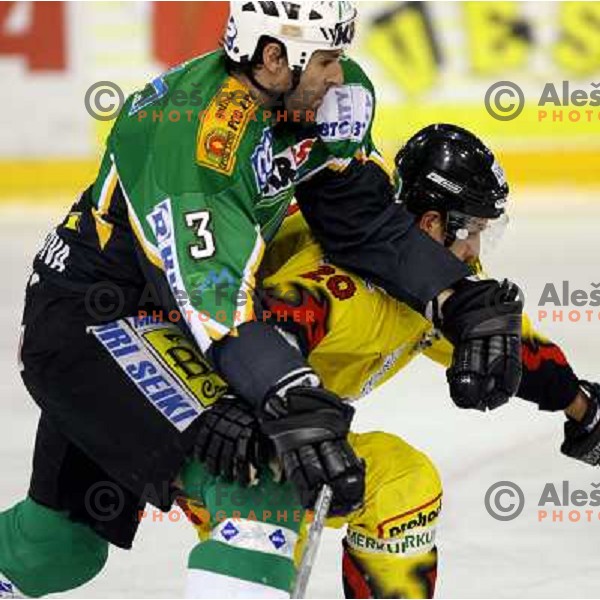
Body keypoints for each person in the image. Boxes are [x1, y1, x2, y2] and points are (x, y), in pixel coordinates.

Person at [0, 0, 522, 595]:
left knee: (55, 547)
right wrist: (289, 395)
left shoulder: (326, 95)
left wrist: (455, 296)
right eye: (326, 58)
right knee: (258, 480)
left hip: (165, 316)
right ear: (274, 58)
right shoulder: (195, 143)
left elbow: (361, 221)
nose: (338, 73)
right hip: (93, 328)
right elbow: (215, 303)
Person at [174, 124, 600, 598]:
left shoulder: (428, 282)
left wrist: (582, 405)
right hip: (221, 432)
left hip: (280, 429)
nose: (476, 252)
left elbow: (500, 347)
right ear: (431, 224)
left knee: (403, 483)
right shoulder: (340, 285)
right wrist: (253, 412)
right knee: (271, 533)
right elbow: (249, 338)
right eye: (474, 229)